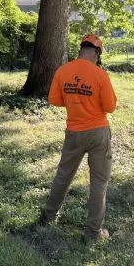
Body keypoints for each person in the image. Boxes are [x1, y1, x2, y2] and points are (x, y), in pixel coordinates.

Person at [40, 34, 117, 245]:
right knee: (99, 182)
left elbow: (54, 99)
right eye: (98, 57)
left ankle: (48, 216)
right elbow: (110, 107)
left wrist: (76, 102)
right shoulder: (100, 75)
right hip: (98, 132)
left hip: (73, 131)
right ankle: (92, 233)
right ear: (95, 53)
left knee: (63, 175)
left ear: (81, 49)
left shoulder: (63, 71)